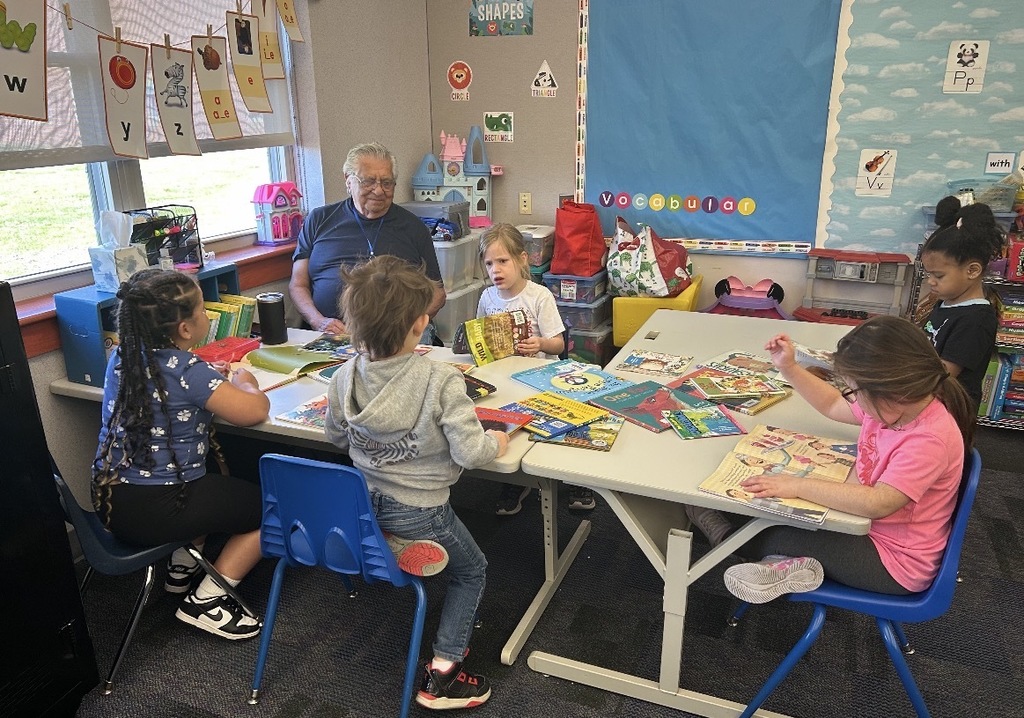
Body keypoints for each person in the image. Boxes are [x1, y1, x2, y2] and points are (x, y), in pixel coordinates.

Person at [323, 256, 509, 711]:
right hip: (422, 507)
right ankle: (444, 673)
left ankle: (389, 541)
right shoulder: (442, 379)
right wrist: (497, 443)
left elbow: (334, 435)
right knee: (473, 570)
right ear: (420, 322)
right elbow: (470, 453)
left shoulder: (344, 374)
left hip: (364, 501)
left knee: (412, 532)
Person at [686, 316, 974, 604]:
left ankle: (732, 542)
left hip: (893, 562)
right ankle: (786, 564)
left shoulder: (929, 439)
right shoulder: (896, 407)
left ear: (891, 391)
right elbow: (833, 404)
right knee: (767, 514)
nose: (853, 400)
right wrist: (789, 368)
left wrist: (797, 486)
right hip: (867, 529)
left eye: (855, 392)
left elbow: (878, 503)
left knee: (771, 533)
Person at [92, 269, 270, 639]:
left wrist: (206, 375)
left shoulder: (122, 358)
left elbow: (170, 387)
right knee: (273, 509)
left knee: (206, 475)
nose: (207, 316)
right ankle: (209, 601)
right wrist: (245, 381)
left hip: (111, 501)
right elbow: (254, 412)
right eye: (203, 310)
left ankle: (181, 567)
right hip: (162, 507)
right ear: (186, 329)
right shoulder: (187, 369)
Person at [474, 224, 589, 514]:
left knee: (552, 430)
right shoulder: (487, 297)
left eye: (503, 261)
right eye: (489, 263)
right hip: (502, 376)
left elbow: (558, 345)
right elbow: (479, 336)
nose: (495, 270)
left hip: (539, 377)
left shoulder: (538, 296)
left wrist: (539, 343)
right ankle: (515, 481)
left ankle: (572, 477)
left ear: (522, 259)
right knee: (508, 427)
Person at [289, 141, 446, 338]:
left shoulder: (414, 227)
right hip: (330, 334)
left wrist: (406, 327)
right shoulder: (319, 220)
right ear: (348, 180)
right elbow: (298, 284)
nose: (379, 190)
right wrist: (318, 321)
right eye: (368, 181)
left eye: (387, 183)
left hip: (397, 337)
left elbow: (438, 293)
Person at [918, 196, 1005, 410]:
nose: (930, 281)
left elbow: (942, 376)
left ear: (972, 270)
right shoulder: (947, 303)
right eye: (928, 274)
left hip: (950, 413)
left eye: (938, 275)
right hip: (927, 402)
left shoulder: (976, 319)